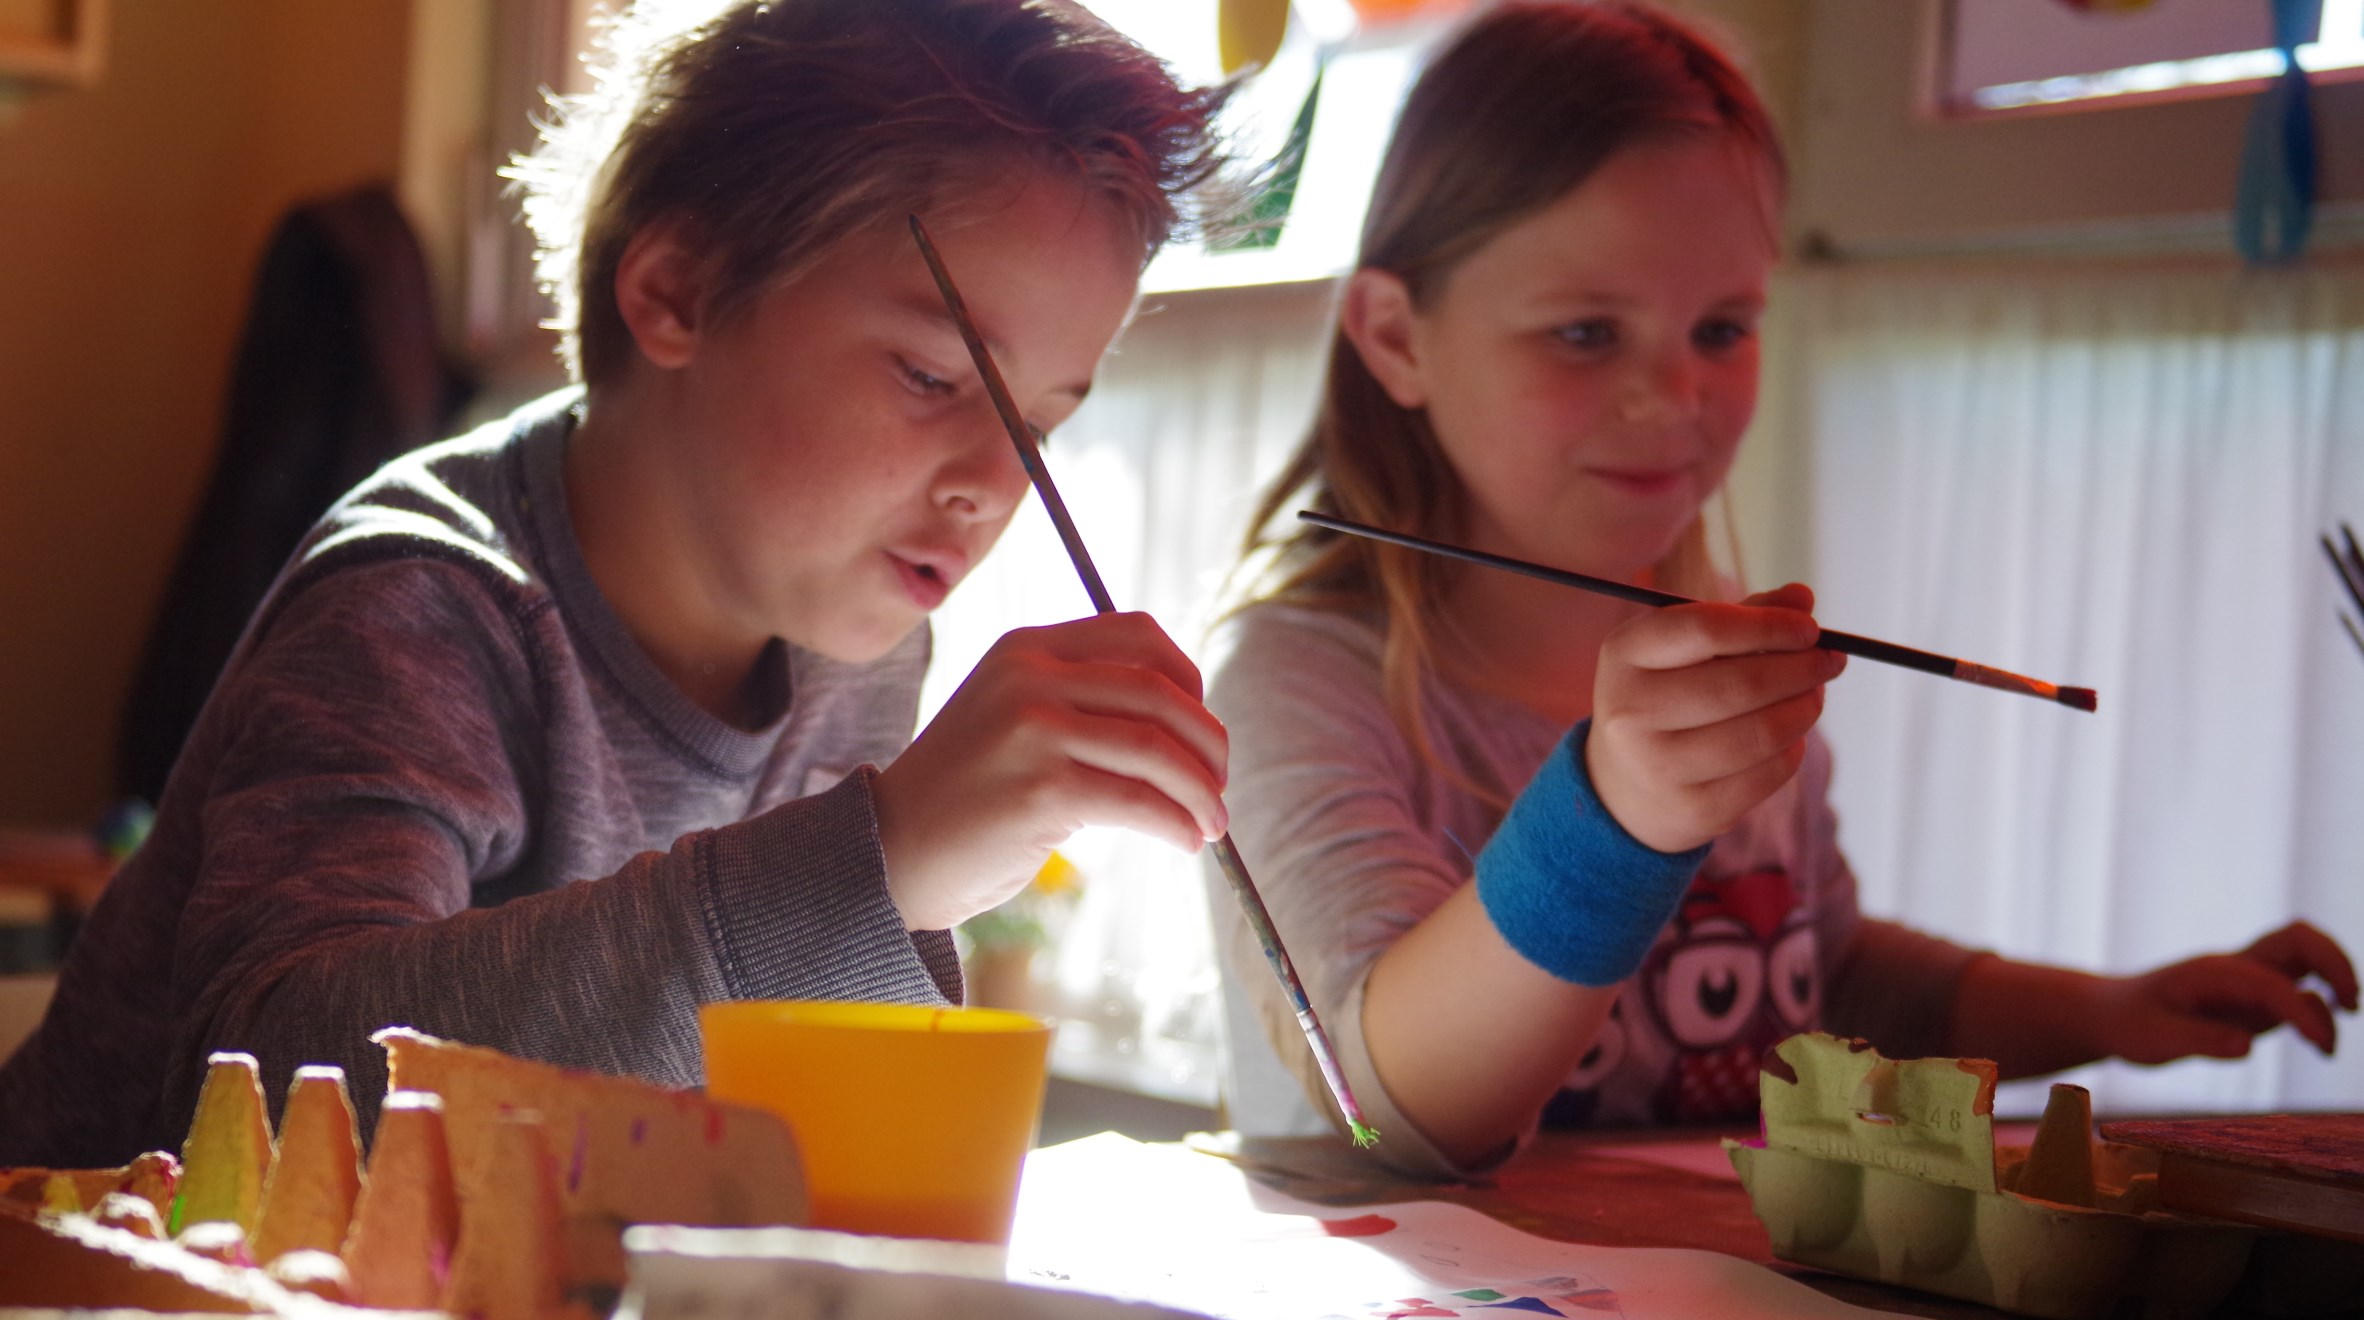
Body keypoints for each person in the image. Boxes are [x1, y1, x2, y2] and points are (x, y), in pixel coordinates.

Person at [0, 0, 1234, 1165]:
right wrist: (881, 857)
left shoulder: (857, 645)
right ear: (675, 291)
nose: (993, 481)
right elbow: (268, 1098)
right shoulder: (427, 608)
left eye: (1042, 425)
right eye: (929, 374)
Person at [1209, 0, 2356, 1178]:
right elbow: (1395, 1103)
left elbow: (1819, 981)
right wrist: (1612, 818)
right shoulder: (1296, 686)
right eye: (1587, 331)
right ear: (1397, 338)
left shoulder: (1714, 669)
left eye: (1722, 326)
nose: (1674, 396)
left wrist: (2102, 1013)